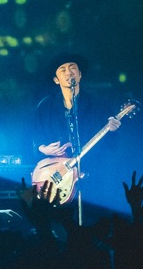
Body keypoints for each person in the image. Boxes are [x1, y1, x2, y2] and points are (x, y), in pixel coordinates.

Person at [31, 53, 122, 205]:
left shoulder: (99, 104)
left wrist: (113, 130)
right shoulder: (45, 106)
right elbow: (34, 136)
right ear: (56, 80)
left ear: (80, 74)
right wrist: (44, 149)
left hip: (93, 172)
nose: (68, 72)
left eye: (72, 68)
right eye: (63, 70)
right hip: (59, 175)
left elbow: (113, 145)